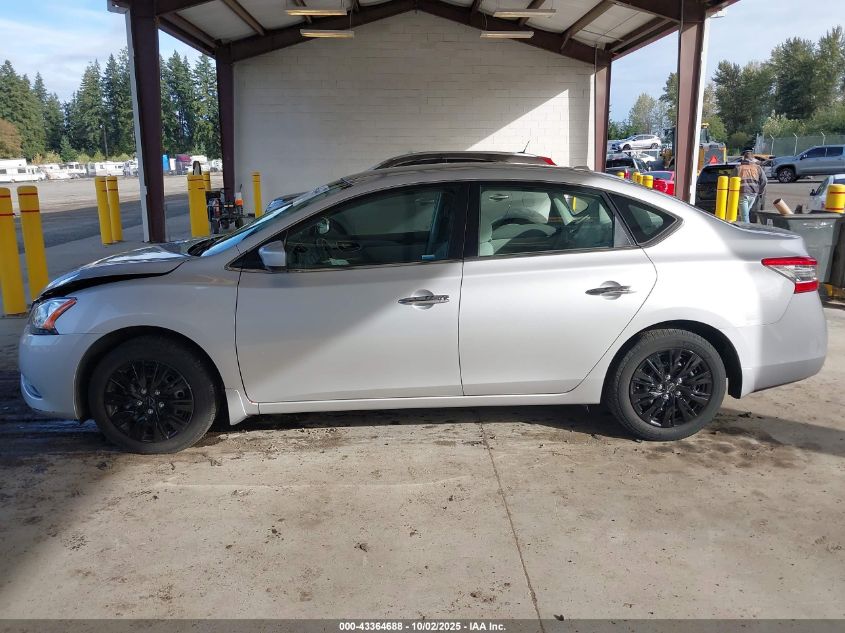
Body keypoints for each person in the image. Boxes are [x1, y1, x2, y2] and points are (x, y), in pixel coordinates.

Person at [733, 150, 767, 223]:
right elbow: (764, 180)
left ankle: (746, 228)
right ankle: (744, 226)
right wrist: (760, 191)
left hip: (743, 193)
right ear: (753, 158)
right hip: (753, 194)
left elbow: (732, 181)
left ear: (744, 158)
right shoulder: (758, 168)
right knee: (745, 214)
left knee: (744, 216)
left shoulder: (738, 168)